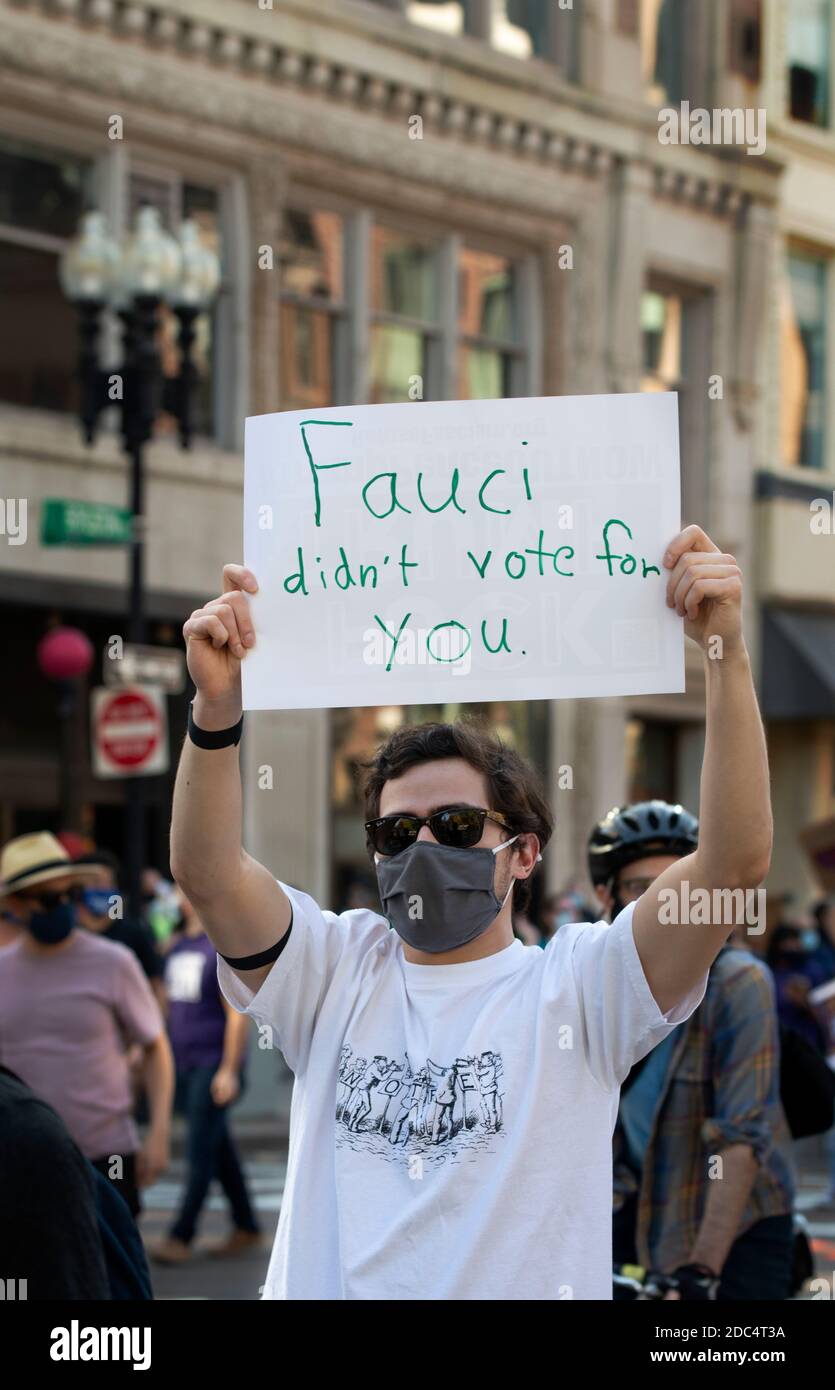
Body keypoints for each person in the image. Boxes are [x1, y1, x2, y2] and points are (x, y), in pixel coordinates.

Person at [170, 526, 772, 1300]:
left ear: (522, 854)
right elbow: (208, 871)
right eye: (396, 833)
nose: (422, 847)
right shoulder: (329, 970)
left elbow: (731, 864)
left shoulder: (581, 989)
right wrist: (215, 705)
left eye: (455, 827)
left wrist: (723, 647)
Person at [588, 801, 795, 1301]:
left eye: (676, 887)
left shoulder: (738, 981)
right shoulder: (590, 976)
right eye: (642, 888)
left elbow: (740, 1138)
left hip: (734, 1228)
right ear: (605, 894)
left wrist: (702, 1271)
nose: (663, 903)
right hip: (635, 1214)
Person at [0, 831, 174, 1218]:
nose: (62, 905)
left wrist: (159, 1133)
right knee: (29, 1277)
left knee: (114, 1277)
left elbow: (155, 1045)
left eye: (70, 894)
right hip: (19, 1157)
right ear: (16, 904)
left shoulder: (113, 962)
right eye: (48, 898)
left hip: (105, 1155)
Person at [152, 887, 261, 1264]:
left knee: (199, 1152)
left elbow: (236, 1015)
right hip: (185, 1064)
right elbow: (164, 1007)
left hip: (213, 1067)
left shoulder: (219, 949)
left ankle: (181, 1234)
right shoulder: (176, 947)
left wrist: (229, 1071)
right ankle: (247, 1225)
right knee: (219, 1149)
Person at [74, 848, 165, 1006]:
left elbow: (156, 985)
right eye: (94, 882)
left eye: (105, 883)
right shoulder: (70, 934)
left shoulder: (135, 933)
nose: (100, 888)